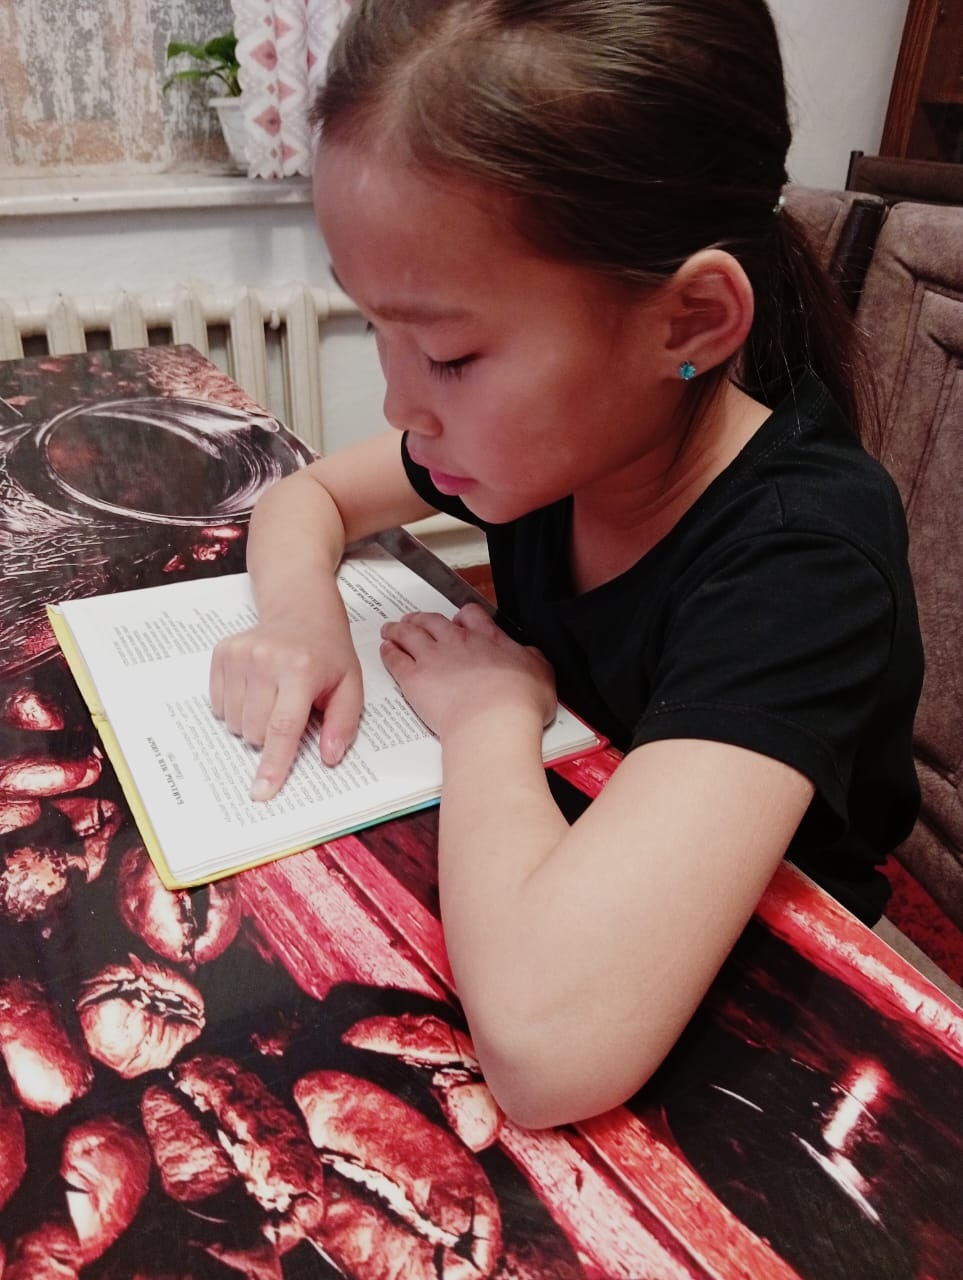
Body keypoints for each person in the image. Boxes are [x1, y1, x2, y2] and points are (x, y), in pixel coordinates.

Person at [209, 0, 923, 1128]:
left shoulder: (804, 557)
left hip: (772, 1015)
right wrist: (302, 619)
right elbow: (310, 495)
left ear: (689, 322)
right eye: (377, 331)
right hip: (558, 864)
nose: (400, 405)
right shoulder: (563, 443)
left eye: (448, 355)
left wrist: (491, 714)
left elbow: (548, 1051)